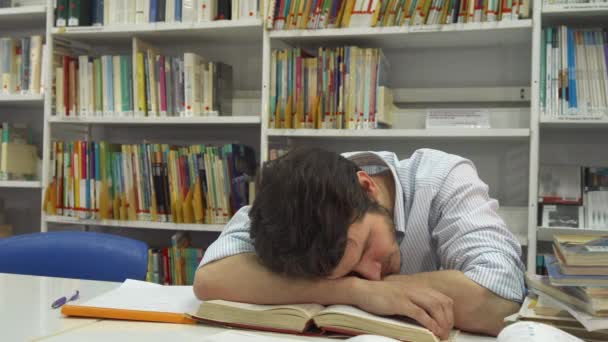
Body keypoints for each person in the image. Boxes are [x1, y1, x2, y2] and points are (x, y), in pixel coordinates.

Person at [193, 147, 525, 339]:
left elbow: (500, 297)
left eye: (366, 248)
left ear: (367, 186)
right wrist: (355, 292)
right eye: (346, 273)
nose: (373, 274)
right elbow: (211, 277)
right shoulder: (290, 200)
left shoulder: (443, 179)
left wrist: (386, 289)